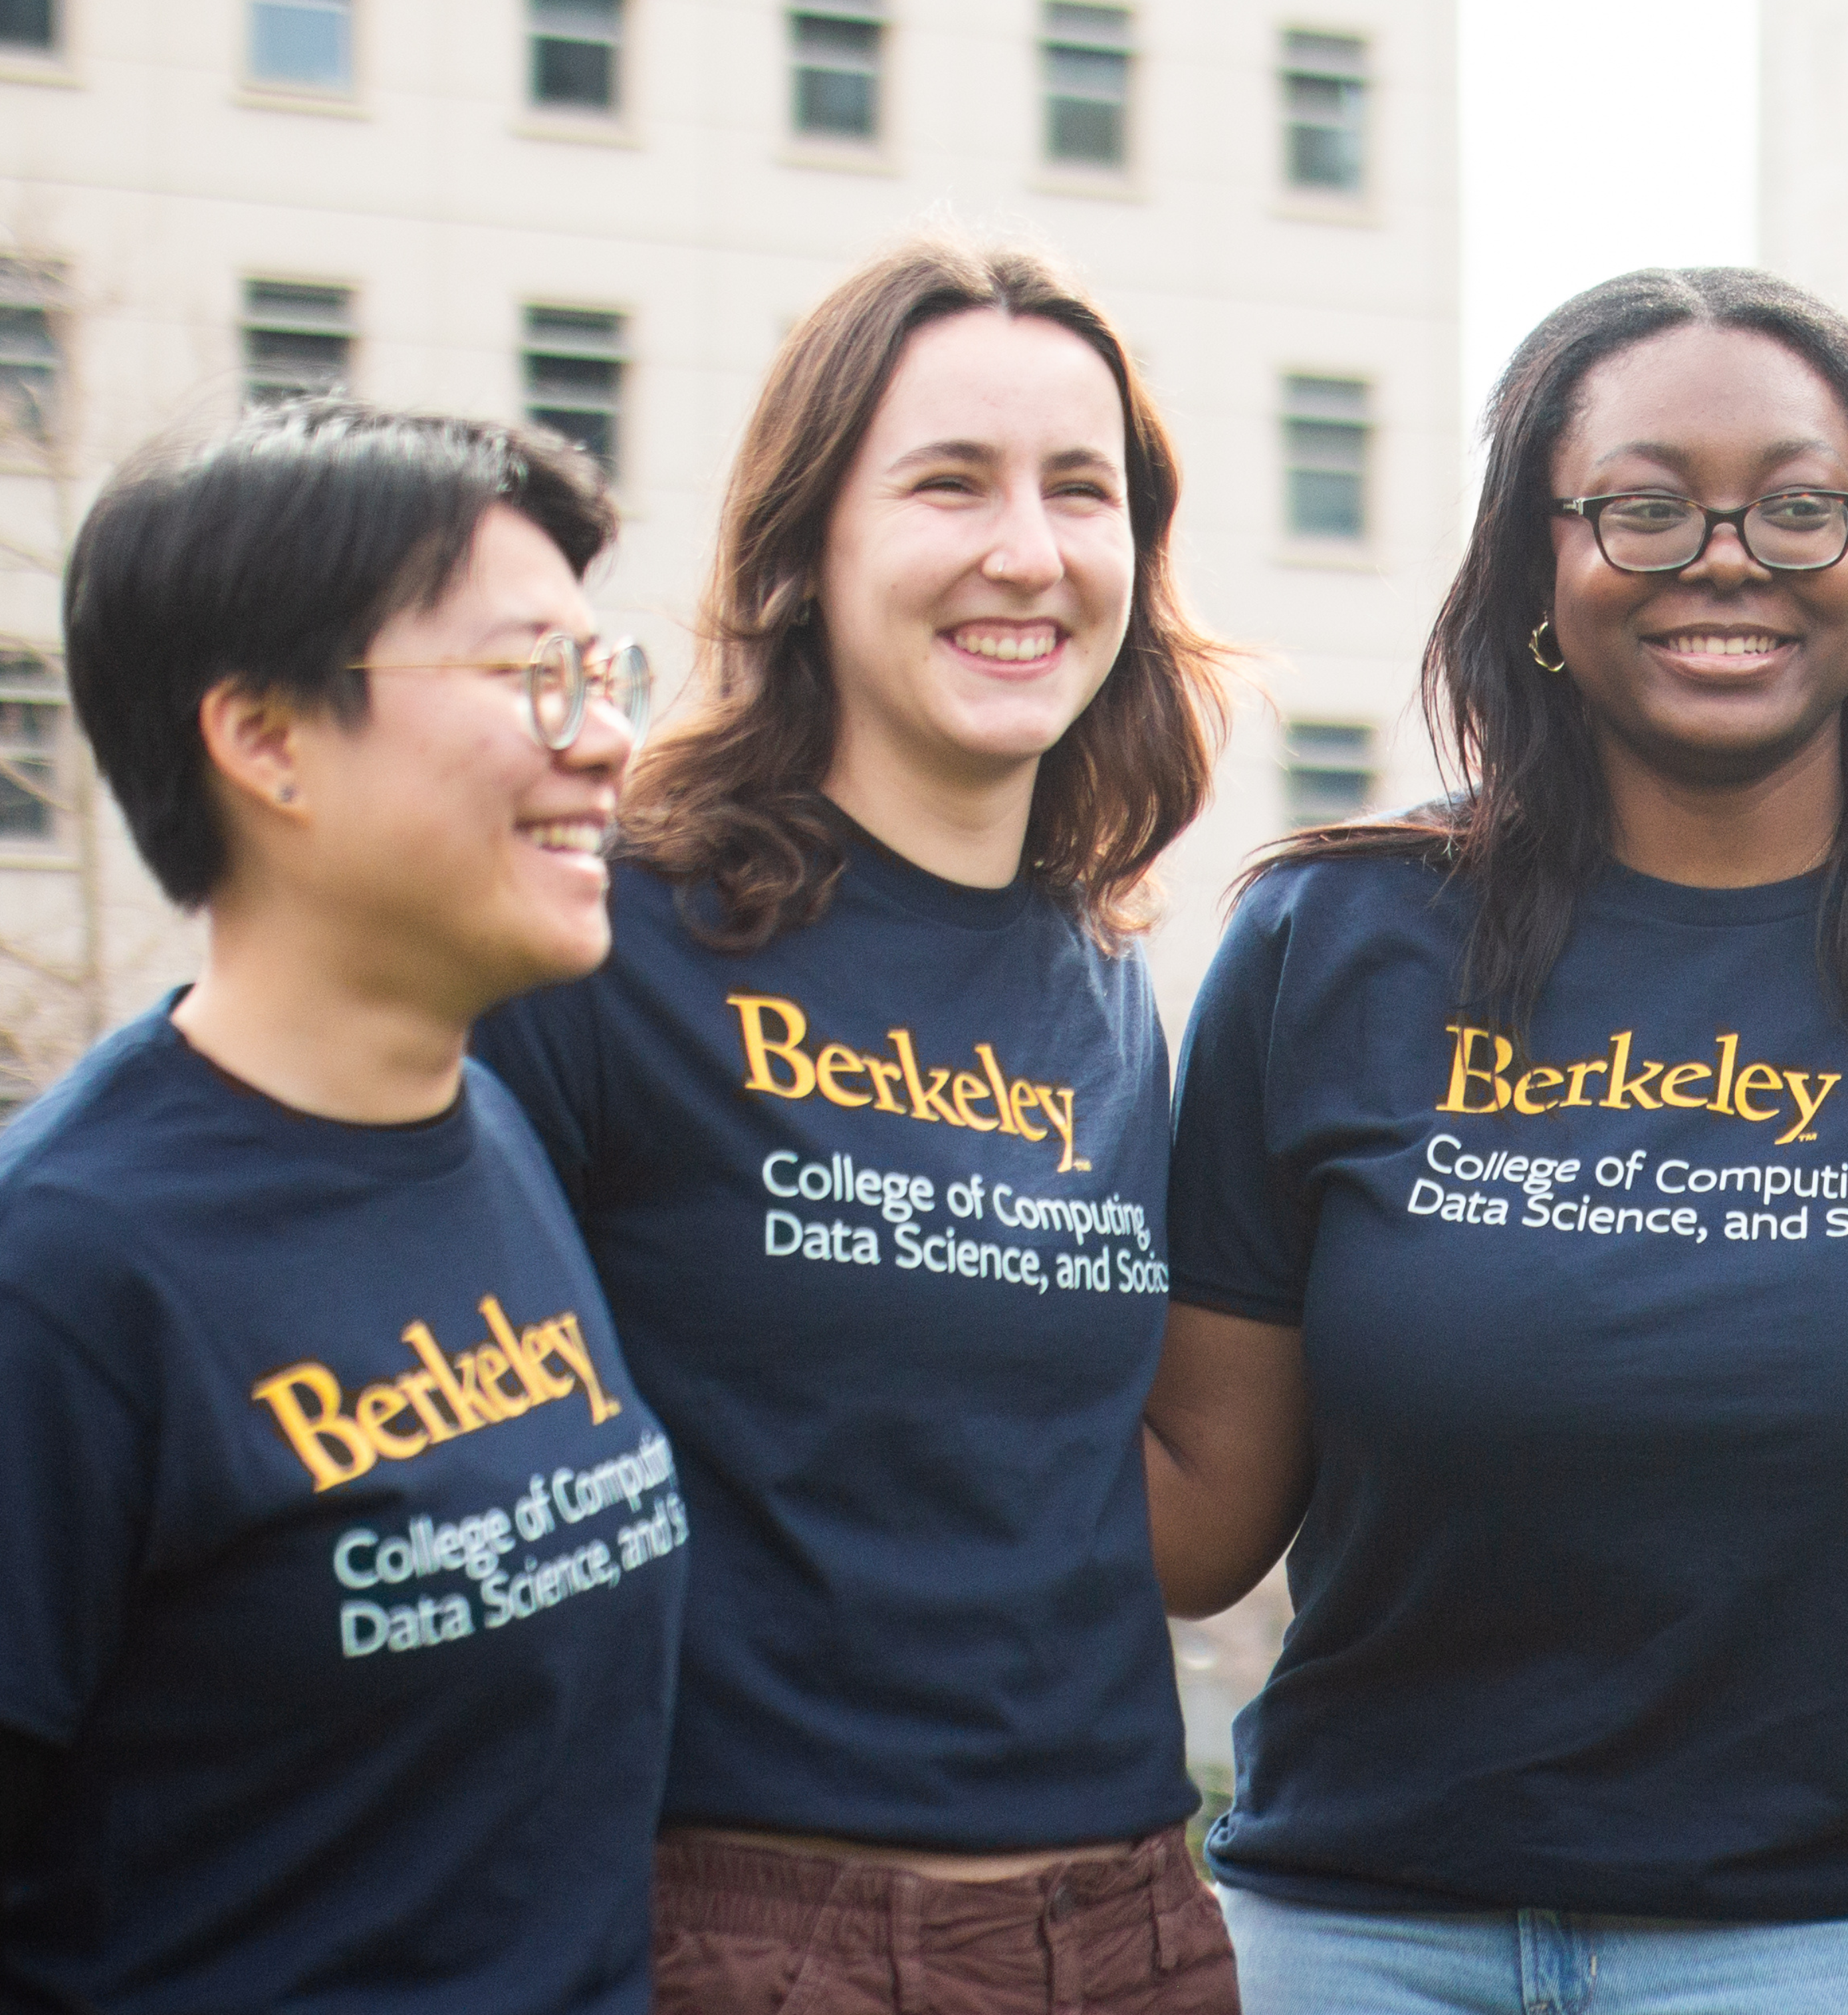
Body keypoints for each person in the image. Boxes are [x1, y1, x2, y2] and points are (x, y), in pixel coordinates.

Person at [1142, 267, 1848, 2015]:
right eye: (1645, 505)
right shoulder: (1328, 945)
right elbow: (1197, 1512)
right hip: (1363, 1929)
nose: (1724, 555)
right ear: (1541, 565)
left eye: (1801, 504)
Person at [472, 235, 1234, 2014]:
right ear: (805, 548)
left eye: (1081, 490)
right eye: (947, 483)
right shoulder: (605, 940)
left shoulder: (1104, 978)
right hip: (747, 1925)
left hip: (1128, 1924)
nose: (1028, 551)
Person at [0, 400, 681, 2009]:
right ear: (268, 740)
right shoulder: (65, 1279)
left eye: (605, 674)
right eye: (531, 678)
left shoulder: (490, 1132)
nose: (604, 740)